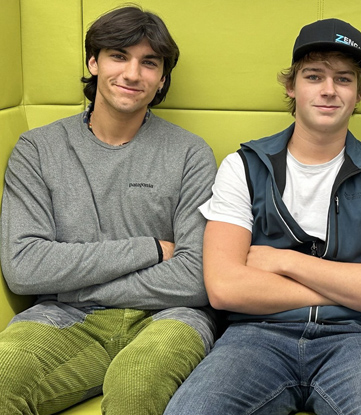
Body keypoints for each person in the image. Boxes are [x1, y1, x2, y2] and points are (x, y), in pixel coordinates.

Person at [165, 18, 361, 415]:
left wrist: (283, 261)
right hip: (255, 336)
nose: (329, 90)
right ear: (291, 86)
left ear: (358, 93)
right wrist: (357, 291)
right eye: (314, 76)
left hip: (355, 339)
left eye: (344, 79)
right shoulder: (243, 166)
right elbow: (225, 288)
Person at [0, 6, 218, 415]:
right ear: (93, 62)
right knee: (2, 376)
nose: (133, 74)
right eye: (119, 56)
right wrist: (151, 248)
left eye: (149, 63)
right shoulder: (38, 149)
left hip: (169, 318)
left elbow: (196, 278)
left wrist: (69, 283)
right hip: (63, 318)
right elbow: (24, 268)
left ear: (162, 78)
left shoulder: (190, 153)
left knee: (135, 388)